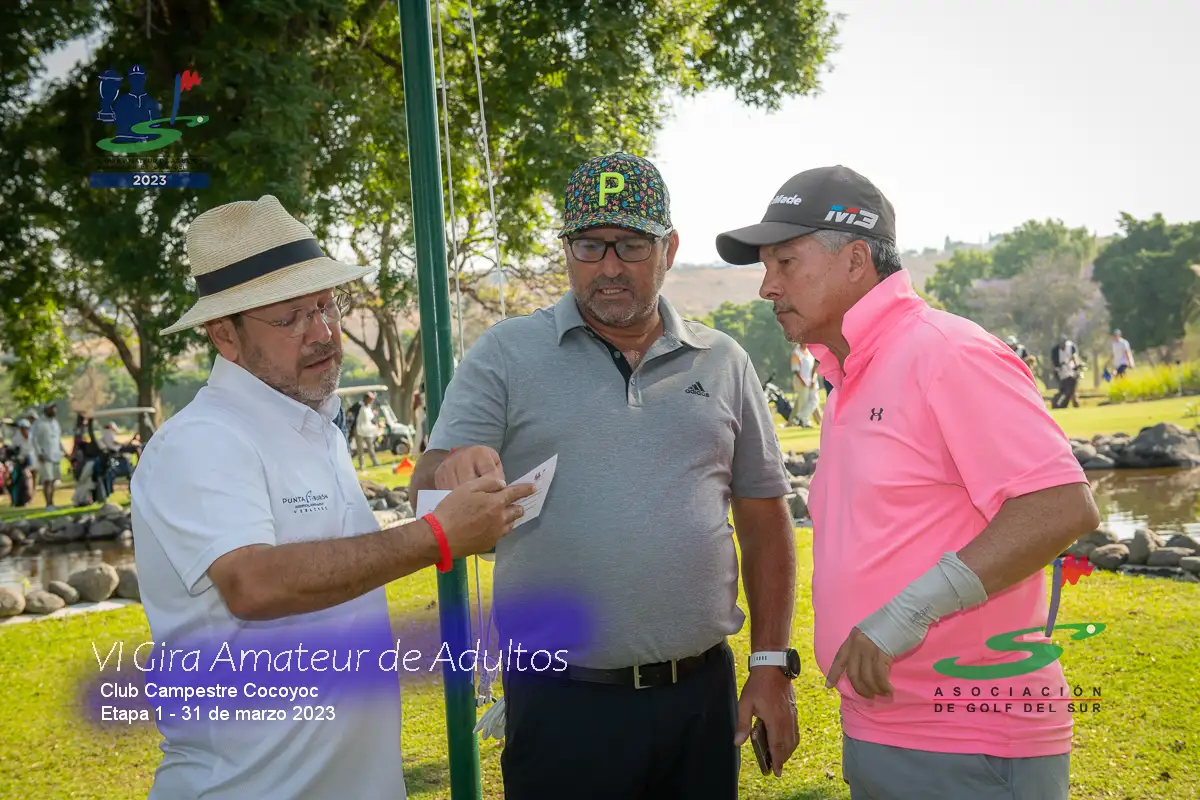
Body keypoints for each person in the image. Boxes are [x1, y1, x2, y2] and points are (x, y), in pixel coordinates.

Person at [411, 152, 799, 799]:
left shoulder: (723, 361)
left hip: (698, 698)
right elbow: (427, 489)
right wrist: (449, 473)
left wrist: (769, 664)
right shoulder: (505, 354)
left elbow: (764, 519)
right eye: (589, 245)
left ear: (669, 248)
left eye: (631, 245)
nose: (609, 267)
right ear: (565, 248)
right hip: (561, 705)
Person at [133, 194, 536, 800]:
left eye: (326, 305)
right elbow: (254, 583)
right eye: (290, 318)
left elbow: (344, 559)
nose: (321, 333)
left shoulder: (311, 423)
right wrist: (437, 535)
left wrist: (456, 491)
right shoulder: (201, 440)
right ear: (224, 335)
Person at [716, 165, 1101, 800]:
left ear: (856, 260)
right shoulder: (849, 373)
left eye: (785, 262)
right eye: (766, 266)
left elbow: (1060, 506)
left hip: (970, 738)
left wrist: (905, 614)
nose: (767, 286)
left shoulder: (945, 351)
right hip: (883, 727)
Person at [31, 402, 63, 510]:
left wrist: (63, 451)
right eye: (51, 408)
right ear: (46, 409)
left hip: (55, 455)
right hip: (45, 455)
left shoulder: (55, 423)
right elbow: (34, 439)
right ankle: (48, 504)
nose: (54, 410)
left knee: (53, 480)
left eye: (54, 408)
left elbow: (58, 439)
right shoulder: (39, 423)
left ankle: (52, 503)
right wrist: (39, 453)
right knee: (47, 480)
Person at [790, 343, 822, 427]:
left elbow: (813, 367)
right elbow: (795, 369)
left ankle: (799, 417)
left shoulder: (810, 351)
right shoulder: (796, 353)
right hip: (801, 382)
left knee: (815, 400)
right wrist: (802, 380)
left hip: (811, 381)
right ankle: (805, 422)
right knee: (803, 402)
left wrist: (812, 380)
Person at [1051, 337, 1081, 410]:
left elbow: (1075, 357)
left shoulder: (1071, 346)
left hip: (1072, 371)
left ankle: (1073, 402)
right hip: (1062, 373)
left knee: (1071, 389)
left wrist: (1076, 366)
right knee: (1065, 391)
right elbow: (1054, 364)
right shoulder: (1055, 351)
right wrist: (1055, 373)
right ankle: (1060, 403)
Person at [353, 391, 380, 470]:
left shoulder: (369, 408)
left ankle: (375, 462)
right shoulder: (359, 405)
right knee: (360, 449)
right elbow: (350, 410)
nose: (372, 400)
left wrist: (375, 418)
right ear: (366, 398)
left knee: (371, 447)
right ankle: (361, 464)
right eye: (370, 399)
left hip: (367, 431)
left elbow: (371, 419)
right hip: (359, 430)